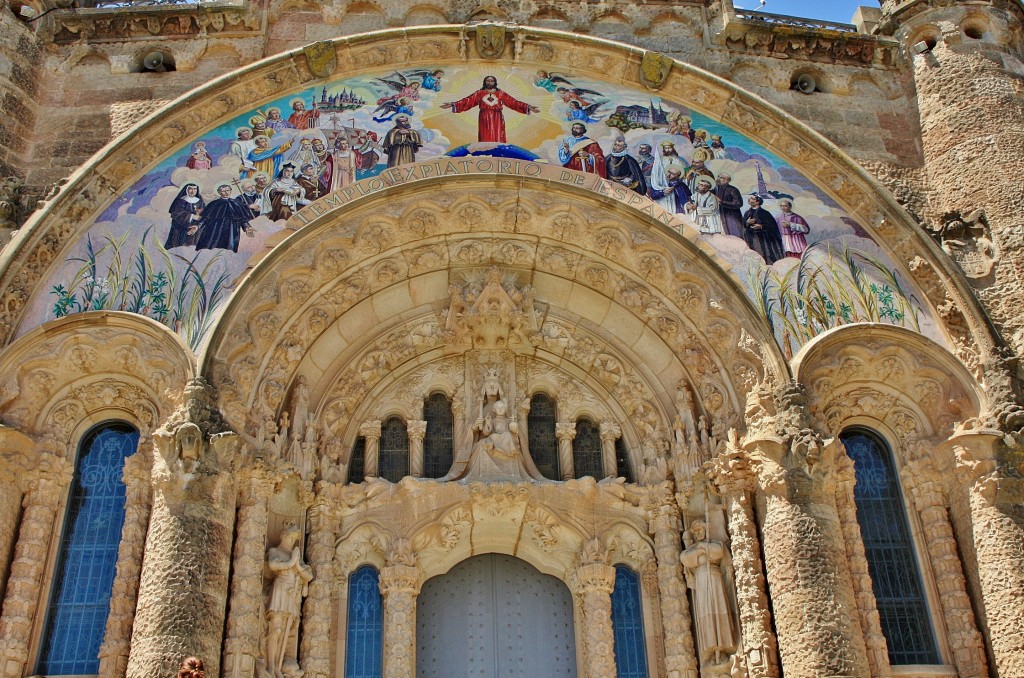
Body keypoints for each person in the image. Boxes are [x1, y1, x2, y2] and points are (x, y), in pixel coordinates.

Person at [681, 520, 736, 665]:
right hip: (701, 580)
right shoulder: (693, 548)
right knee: (706, 615)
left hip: (715, 577)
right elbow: (686, 559)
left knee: (719, 611)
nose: (698, 533)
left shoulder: (715, 544)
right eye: (695, 531)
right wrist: (702, 550)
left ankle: (723, 649)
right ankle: (712, 650)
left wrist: (702, 548)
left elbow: (719, 552)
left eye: (700, 529)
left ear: (706, 529)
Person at [264, 523, 313, 678]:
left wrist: (297, 564)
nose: (292, 541)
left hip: (291, 597)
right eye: (291, 537)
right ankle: (271, 666)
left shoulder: (296, 556)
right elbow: (272, 565)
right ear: (284, 535)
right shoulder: (275, 551)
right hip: (280, 592)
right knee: (276, 630)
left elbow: (308, 576)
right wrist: (291, 563)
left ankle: (278, 667)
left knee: (287, 631)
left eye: (294, 539)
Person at [441, 75, 539, 143]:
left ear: (495, 82)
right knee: (485, 135)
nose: (490, 82)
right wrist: (452, 104)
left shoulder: (501, 93)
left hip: (497, 117)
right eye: (488, 81)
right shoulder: (479, 93)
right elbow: (467, 101)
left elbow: (513, 102)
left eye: (492, 81)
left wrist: (528, 107)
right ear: (485, 82)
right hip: (484, 116)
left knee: (498, 135)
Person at [193, 184, 256, 252]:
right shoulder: (214, 204)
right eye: (223, 191)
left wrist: (247, 227)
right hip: (214, 231)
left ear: (230, 191)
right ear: (219, 192)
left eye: (228, 190)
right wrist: (197, 226)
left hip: (231, 231)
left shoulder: (237, 203)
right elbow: (205, 218)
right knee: (210, 249)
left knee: (228, 250)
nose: (226, 193)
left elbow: (242, 219)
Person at [742, 194, 786, 265]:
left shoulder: (765, 213)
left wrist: (761, 226)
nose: (750, 200)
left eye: (752, 199)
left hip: (763, 239)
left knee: (764, 256)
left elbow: (772, 226)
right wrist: (747, 222)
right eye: (750, 198)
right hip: (751, 238)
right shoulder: (747, 213)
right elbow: (743, 224)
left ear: (757, 202)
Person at [165, 183, 204, 249]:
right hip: (181, 229)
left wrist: (198, 225)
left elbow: (204, 215)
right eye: (190, 189)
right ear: (186, 190)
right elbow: (176, 214)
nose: (192, 191)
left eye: (195, 189)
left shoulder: (200, 202)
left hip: (196, 229)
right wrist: (192, 216)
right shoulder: (181, 201)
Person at [714, 173, 745, 238]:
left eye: (721, 178)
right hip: (718, 215)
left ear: (727, 180)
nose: (719, 179)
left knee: (735, 236)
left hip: (731, 217)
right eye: (718, 177)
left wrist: (722, 202)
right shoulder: (715, 189)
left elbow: (738, 203)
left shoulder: (733, 189)